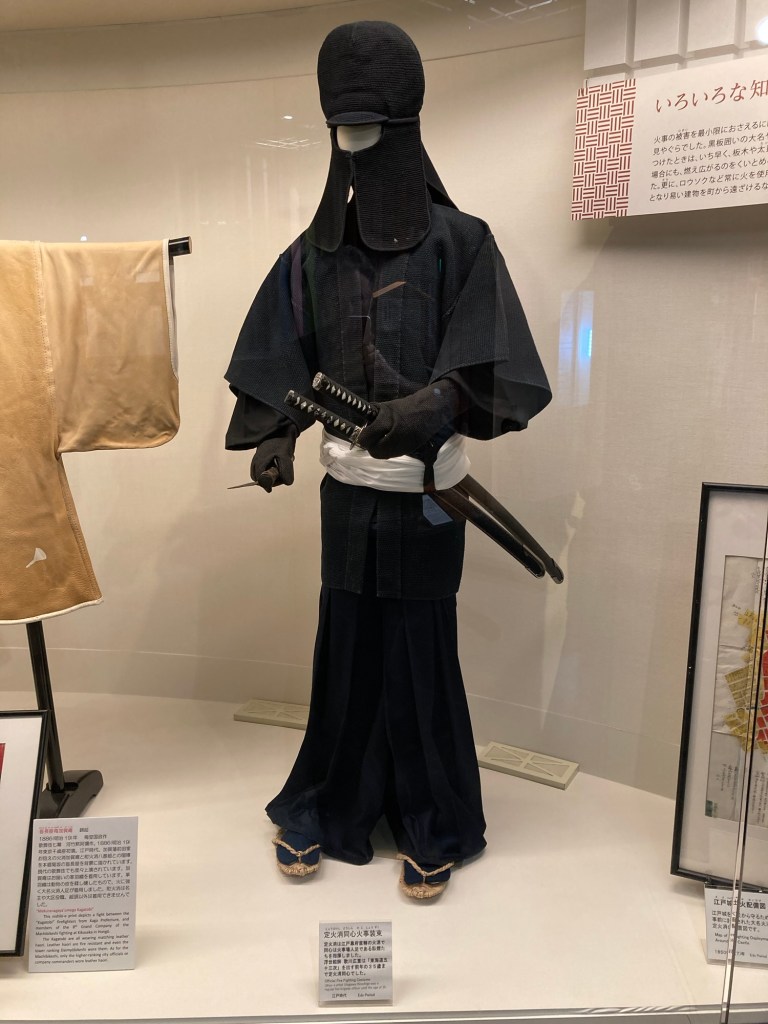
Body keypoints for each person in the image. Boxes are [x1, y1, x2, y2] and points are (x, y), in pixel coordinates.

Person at [225, 21, 551, 898]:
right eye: (341, 128)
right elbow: (281, 353)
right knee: (346, 644)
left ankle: (431, 817)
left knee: (419, 650)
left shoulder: (461, 242)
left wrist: (433, 405)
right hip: (348, 494)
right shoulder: (312, 256)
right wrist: (274, 433)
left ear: (403, 129)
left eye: (367, 126)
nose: (352, 143)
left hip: (427, 495)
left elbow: (492, 366)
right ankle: (330, 803)